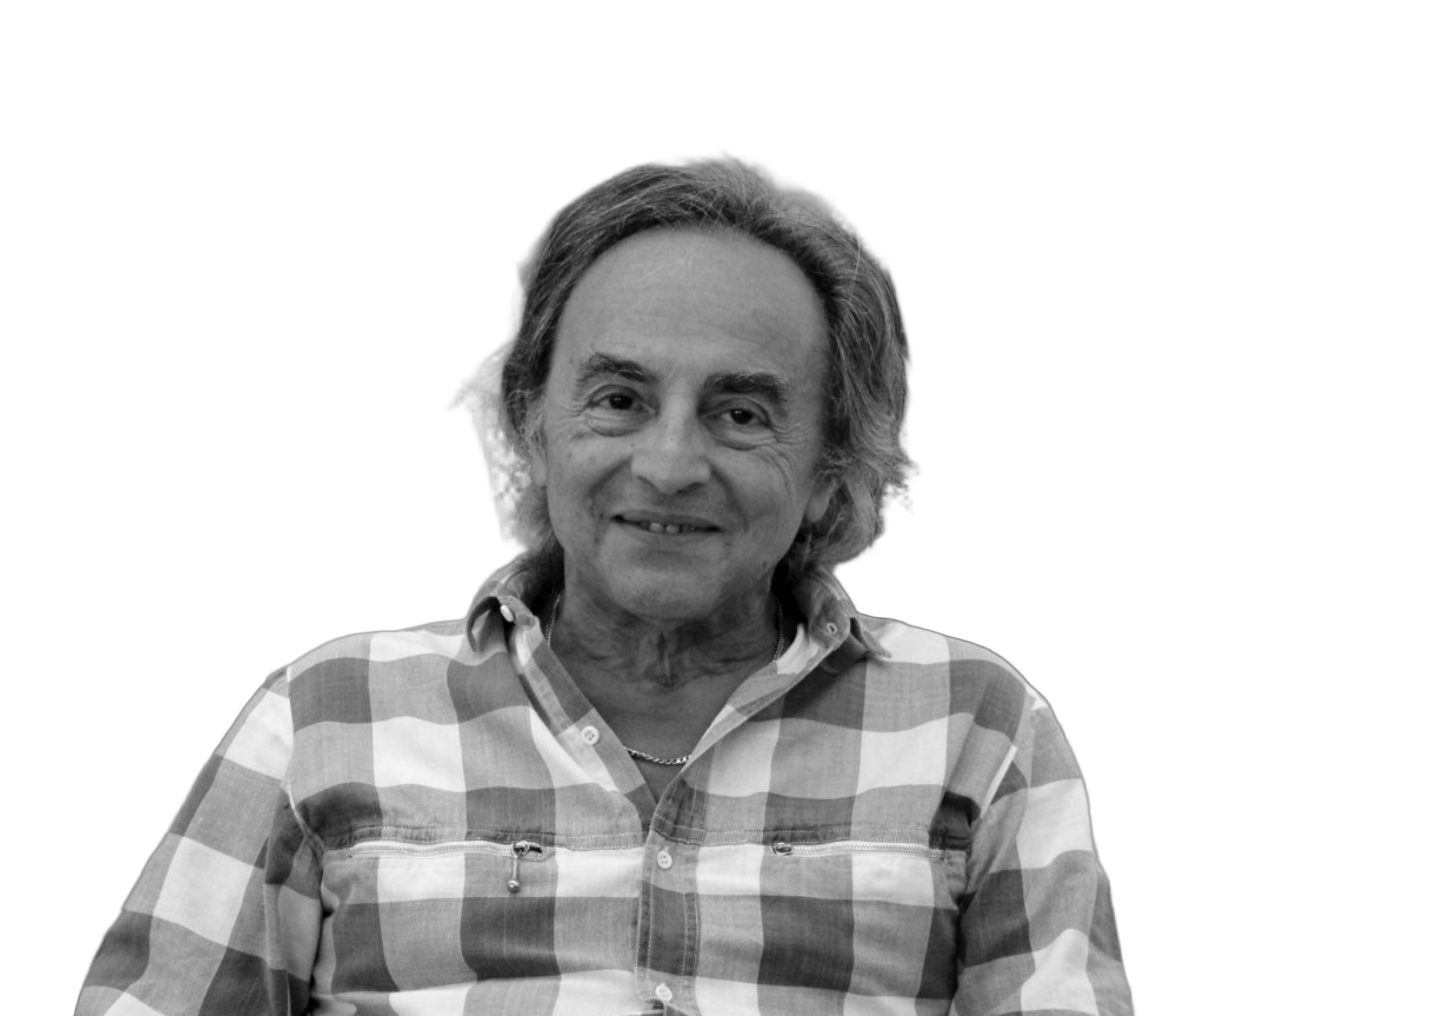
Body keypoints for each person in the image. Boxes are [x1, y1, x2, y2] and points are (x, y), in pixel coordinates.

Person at [79, 161, 1131, 1015]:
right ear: (532, 427)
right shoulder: (322, 712)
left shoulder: (975, 722)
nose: (669, 464)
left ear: (829, 465)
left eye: (741, 413)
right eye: (620, 398)